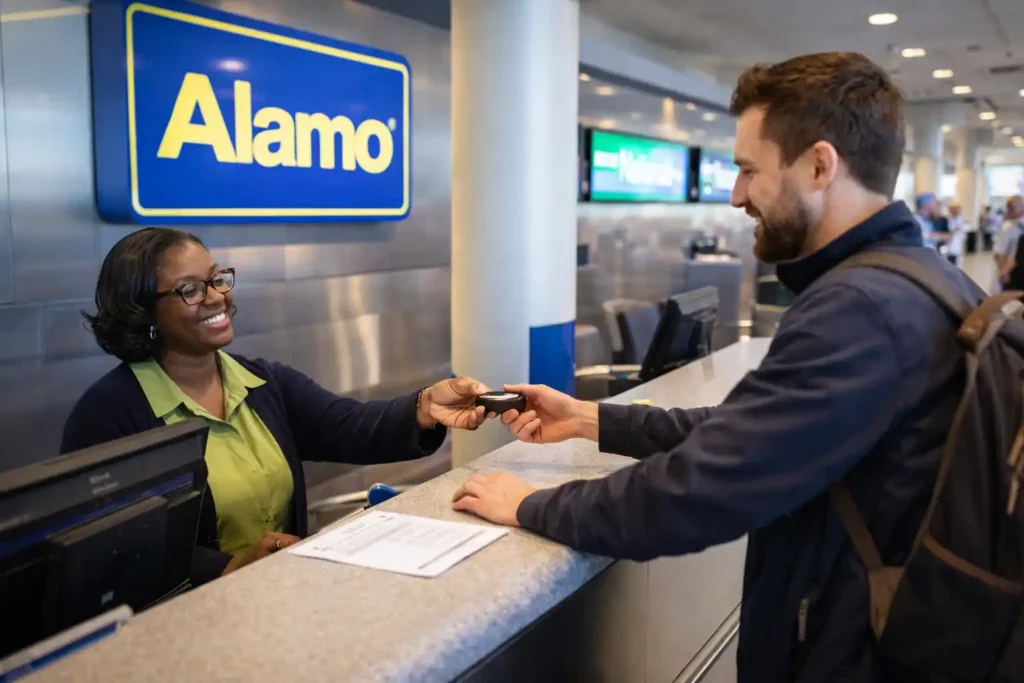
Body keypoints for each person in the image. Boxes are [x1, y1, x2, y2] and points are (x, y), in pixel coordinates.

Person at [452, 52, 985, 682]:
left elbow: (695, 492)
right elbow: (752, 432)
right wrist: (591, 419)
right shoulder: (920, 282)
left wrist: (531, 505)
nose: (736, 196)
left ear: (820, 165)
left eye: (748, 170)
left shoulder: (861, 310)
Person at [62, 228, 491, 584]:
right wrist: (228, 567)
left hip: (278, 601)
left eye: (217, 279)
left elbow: (349, 425)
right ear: (143, 311)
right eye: (190, 290)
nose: (216, 297)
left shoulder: (262, 381)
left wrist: (425, 405)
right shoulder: (108, 415)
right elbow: (112, 554)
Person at [994, 195, 1024, 290]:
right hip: (1013, 273)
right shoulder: (1007, 227)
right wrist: (1004, 271)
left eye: (1011, 206)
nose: (1008, 209)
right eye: (1008, 206)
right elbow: (999, 253)